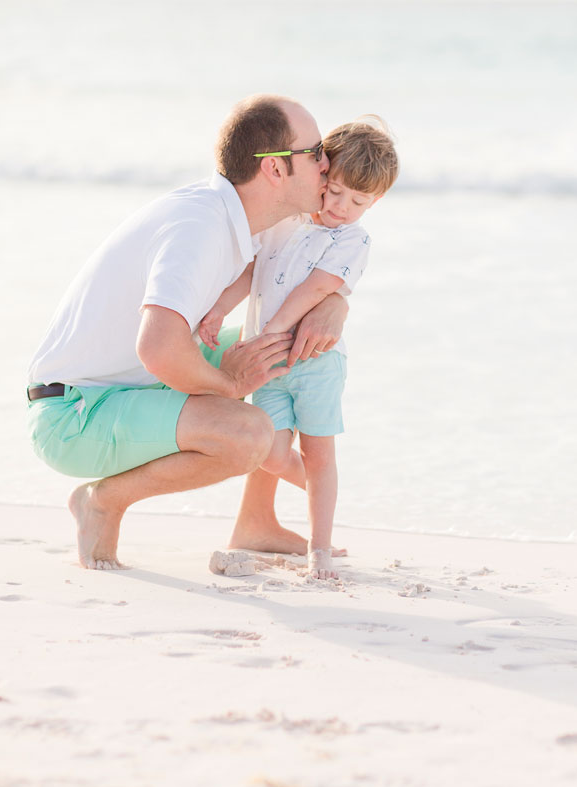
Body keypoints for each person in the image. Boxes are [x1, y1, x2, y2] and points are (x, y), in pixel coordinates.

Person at [27, 95, 348, 570]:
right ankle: (104, 501)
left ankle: (255, 521)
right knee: (249, 434)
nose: (328, 163)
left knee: (292, 347)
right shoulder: (199, 227)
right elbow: (157, 348)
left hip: (130, 387)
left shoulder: (249, 216)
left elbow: (313, 268)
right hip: (74, 413)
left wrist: (335, 305)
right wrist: (229, 385)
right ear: (275, 170)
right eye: (316, 151)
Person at [199, 118, 399, 579]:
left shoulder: (352, 239)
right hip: (269, 363)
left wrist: (274, 332)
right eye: (336, 192)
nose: (343, 207)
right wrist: (218, 311)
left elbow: (316, 289)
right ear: (323, 175)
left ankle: (320, 548)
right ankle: (320, 493)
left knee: (320, 453)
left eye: (359, 201)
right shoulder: (284, 222)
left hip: (315, 361)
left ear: (376, 202)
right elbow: (251, 272)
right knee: (267, 451)